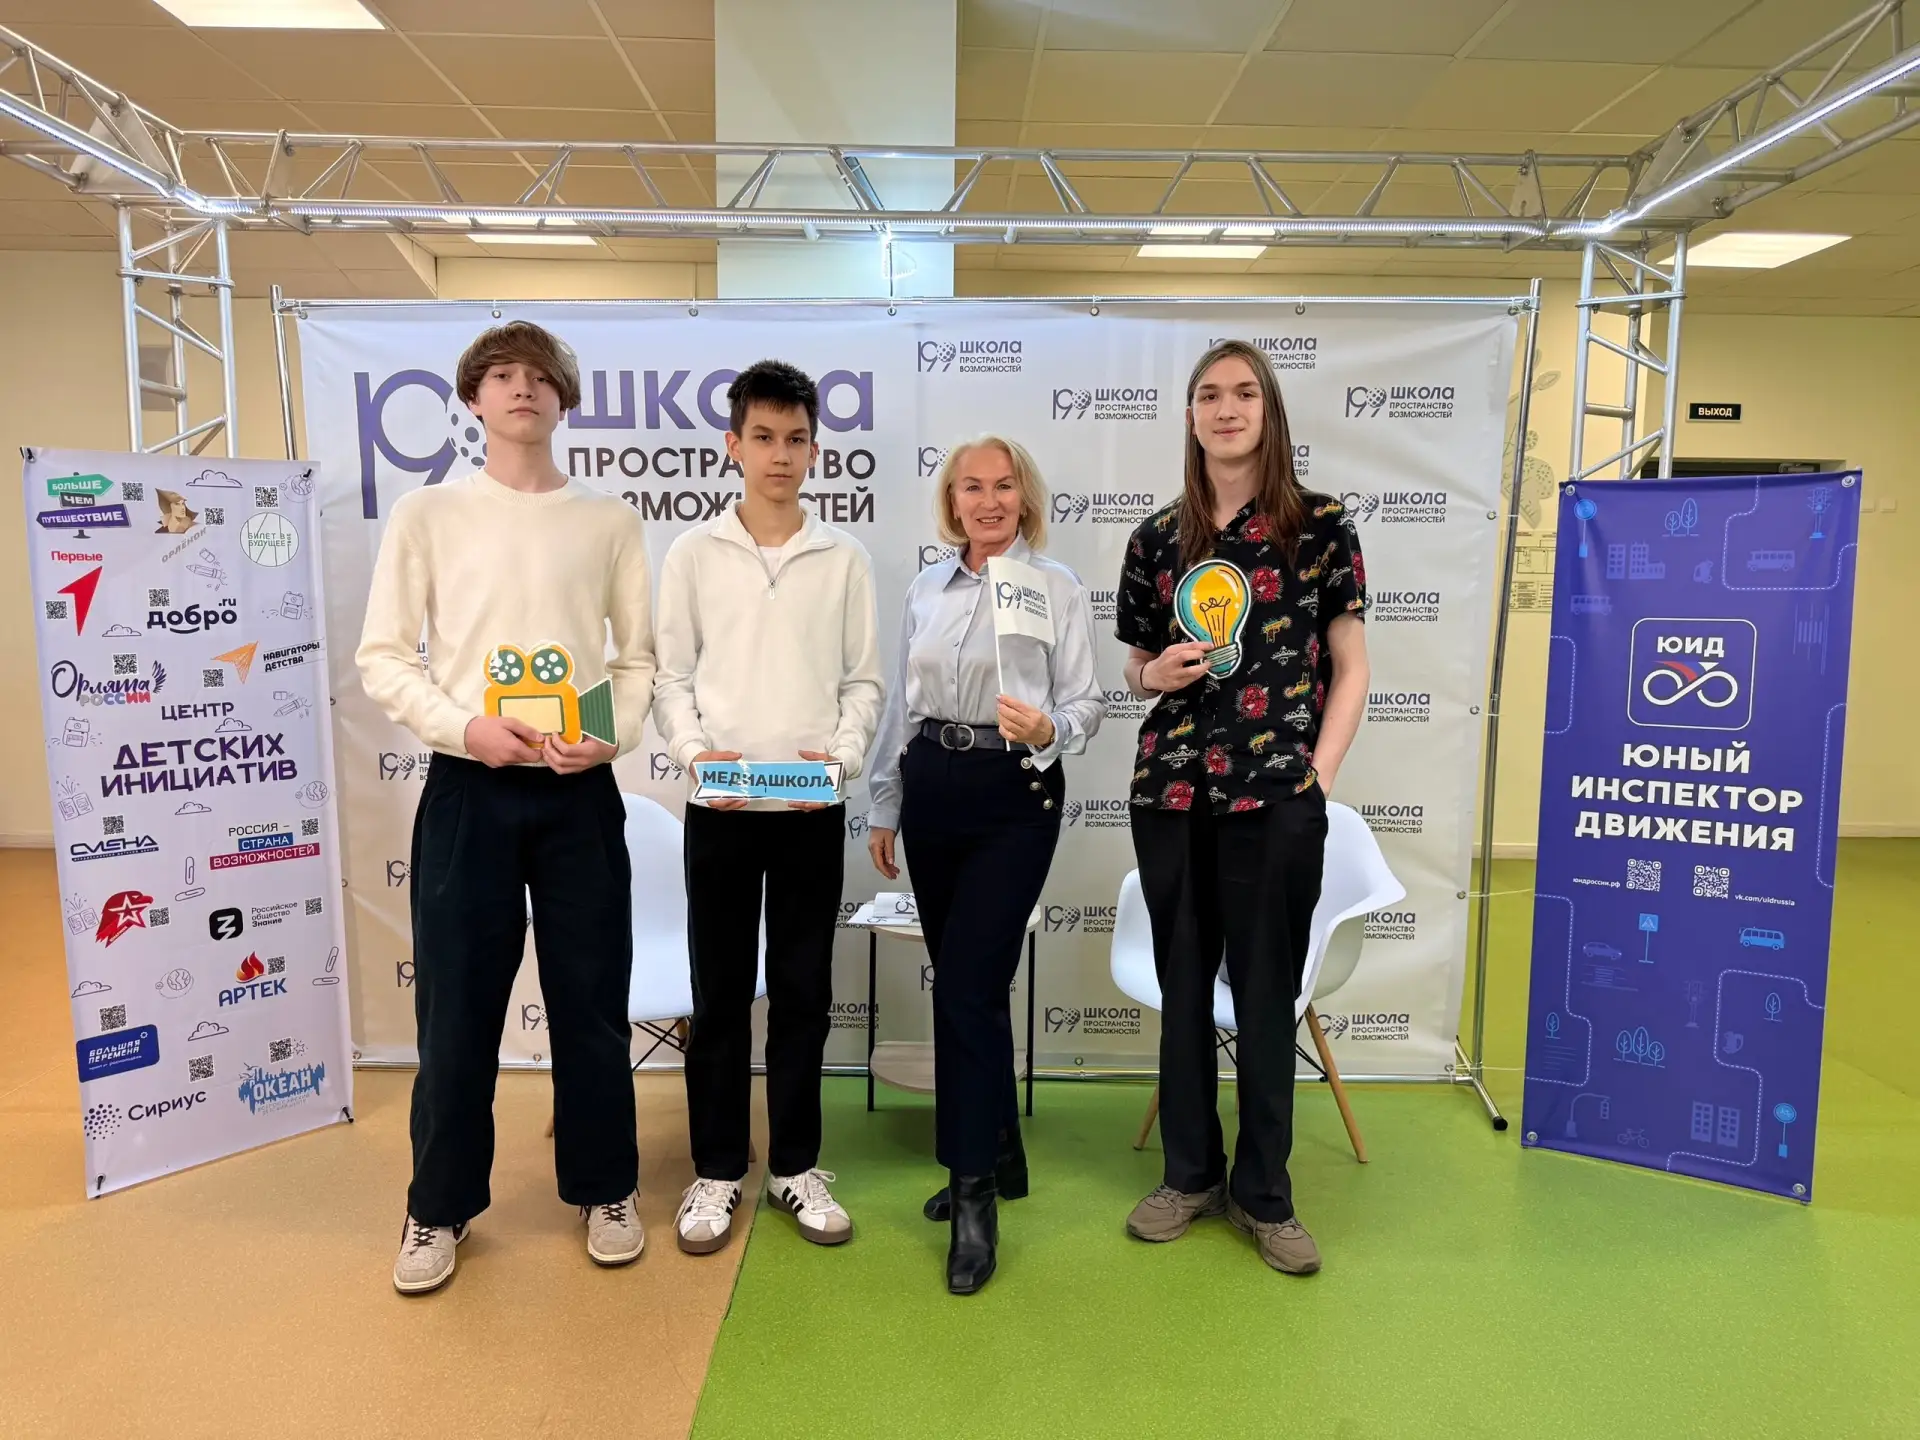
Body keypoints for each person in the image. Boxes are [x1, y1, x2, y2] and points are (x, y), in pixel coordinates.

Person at [358, 321, 656, 1296]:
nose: (522, 388)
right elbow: (383, 656)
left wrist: (605, 733)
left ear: (563, 398)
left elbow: (636, 660)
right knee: (455, 1012)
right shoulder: (430, 514)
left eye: (539, 376)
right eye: (501, 375)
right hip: (469, 785)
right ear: (474, 398)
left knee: (591, 1005)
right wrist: (463, 727)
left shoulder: (607, 522)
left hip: (578, 788)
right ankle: (437, 1205)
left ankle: (607, 1188)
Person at [1115, 338, 1370, 1276]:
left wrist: (1319, 778)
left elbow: (1352, 665)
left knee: (1267, 999)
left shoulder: (1321, 526)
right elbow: (1135, 666)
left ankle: (1266, 1195)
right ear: (1190, 417)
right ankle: (1189, 1176)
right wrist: (1155, 673)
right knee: (1184, 992)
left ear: (1269, 411)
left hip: (1276, 797)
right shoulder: (1156, 539)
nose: (1227, 409)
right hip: (1173, 790)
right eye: (1209, 395)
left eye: (1245, 394)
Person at [653, 359, 885, 1256]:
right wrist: (692, 752)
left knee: (802, 996)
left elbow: (864, 682)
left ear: (814, 450)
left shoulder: (844, 558)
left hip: (810, 812)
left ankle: (795, 1165)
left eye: (795, 439)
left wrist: (843, 756)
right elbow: (671, 677)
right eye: (763, 437)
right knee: (717, 999)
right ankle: (717, 1170)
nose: (779, 455)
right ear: (733, 445)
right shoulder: (693, 554)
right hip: (720, 806)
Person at [866, 436, 1103, 1295]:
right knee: (974, 986)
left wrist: (1052, 729)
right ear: (953, 501)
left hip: (1015, 793)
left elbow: (1087, 701)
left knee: (964, 990)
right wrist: (885, 801)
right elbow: (902, 703)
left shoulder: (1057, 586)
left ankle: (973, 1196)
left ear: (1024, 498)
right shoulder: (926, 589)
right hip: (934, 784)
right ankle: (1001, 1152)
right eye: (973, 487)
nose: (990, 500)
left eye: (1004, 486)